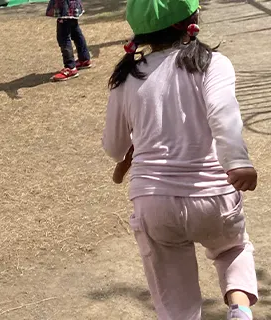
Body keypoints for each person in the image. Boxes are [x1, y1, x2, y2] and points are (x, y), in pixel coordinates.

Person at [102, 0, 259, 319]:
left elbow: (114, 148)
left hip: (154, 203)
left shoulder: (126, 79)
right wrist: (237, 162)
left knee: (174, 297)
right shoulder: (212, 63)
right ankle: (239, 310)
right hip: (214, 195)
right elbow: (222, 113)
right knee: (233, 249)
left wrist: (131, 145)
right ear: (189, 22)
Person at [46, 0, 92, 81]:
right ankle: (84, 59)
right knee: (74, 30)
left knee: (63, 36)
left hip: (65, 6)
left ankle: (70, 68)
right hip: (71, 5)